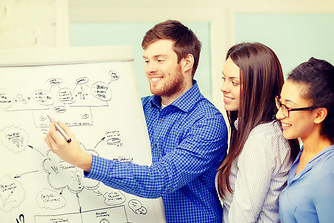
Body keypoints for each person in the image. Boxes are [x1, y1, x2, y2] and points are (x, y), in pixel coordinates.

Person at [44, 20, 228, 223]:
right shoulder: (139, 109)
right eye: (147, 60)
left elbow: (158, 180)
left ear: (186, 62)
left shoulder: (208, 122)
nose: (150, 69)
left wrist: (81, 159)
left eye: (159, 60)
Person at [216, 42, 300, 222]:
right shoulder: (265, 130)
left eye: (234, 82)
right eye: (224, 79)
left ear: (258, 86)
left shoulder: (261, 140)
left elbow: (242, 218)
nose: (224, 87)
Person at [276, 58, 334, 223]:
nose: (280, 114)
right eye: (280, 104)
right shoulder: (304, 152)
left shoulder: (328, 175)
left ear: (318, 115)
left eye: (288, 107)